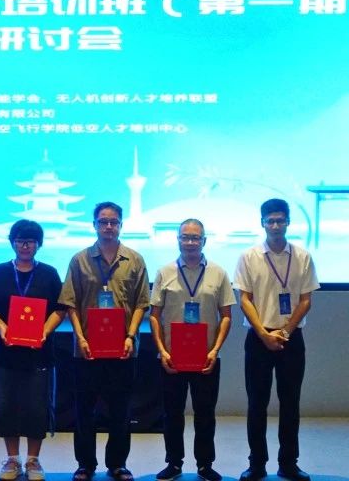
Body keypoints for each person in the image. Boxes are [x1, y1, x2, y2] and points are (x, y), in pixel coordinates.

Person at [58, 202, 150, 481]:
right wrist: (80, 338)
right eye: (103, 221)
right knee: (84, 410)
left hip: (123, 348)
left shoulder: (135, 260)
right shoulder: (79, 260)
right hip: (87, 349)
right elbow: (70, 303)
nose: (108, 226)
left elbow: (141, 304)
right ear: (94, 225)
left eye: (113, 222)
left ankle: (117, 464)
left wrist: (130, 336)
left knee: (121, 409)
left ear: (121, 225)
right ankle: (85, 464)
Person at [235, 199, 319, 481]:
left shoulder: (303, 257)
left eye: (280, 220)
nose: (275, 226)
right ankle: (256, 464)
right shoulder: (249, 257)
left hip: (291, 338)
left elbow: (306, 300)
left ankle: (289, 463)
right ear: (262, 223)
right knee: (256, 404)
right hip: (258, 338)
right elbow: (244, 299)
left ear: (288, 222)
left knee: (290, 403)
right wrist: (263, 333)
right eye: (270, 221)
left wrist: (285, 332)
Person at [0, 219, 65, 481]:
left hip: (39, 353)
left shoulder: (49, 273)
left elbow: (60, 309)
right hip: (5, 353)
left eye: (30, 241)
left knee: (37, 407)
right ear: (12, 243)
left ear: (38, 244)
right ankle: (13, 459)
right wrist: (2, 326)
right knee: (7, 406)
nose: (25, 246)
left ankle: (33, 460)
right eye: (20, 241)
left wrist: (44, 330)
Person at [149, 219, 235, 481]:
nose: (190, 242)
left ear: (204, 241)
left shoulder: (218, 273)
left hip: (206, 357)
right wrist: (162, 350)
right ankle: (174, 463)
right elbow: (154, 315)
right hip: (172, 357)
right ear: (178, 240)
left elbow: (226, 316)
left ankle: (205, 465)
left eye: (195, 238)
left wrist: (215, 350)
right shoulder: (165, 272)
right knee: (172, 414)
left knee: (205, 414)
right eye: (185, 237)